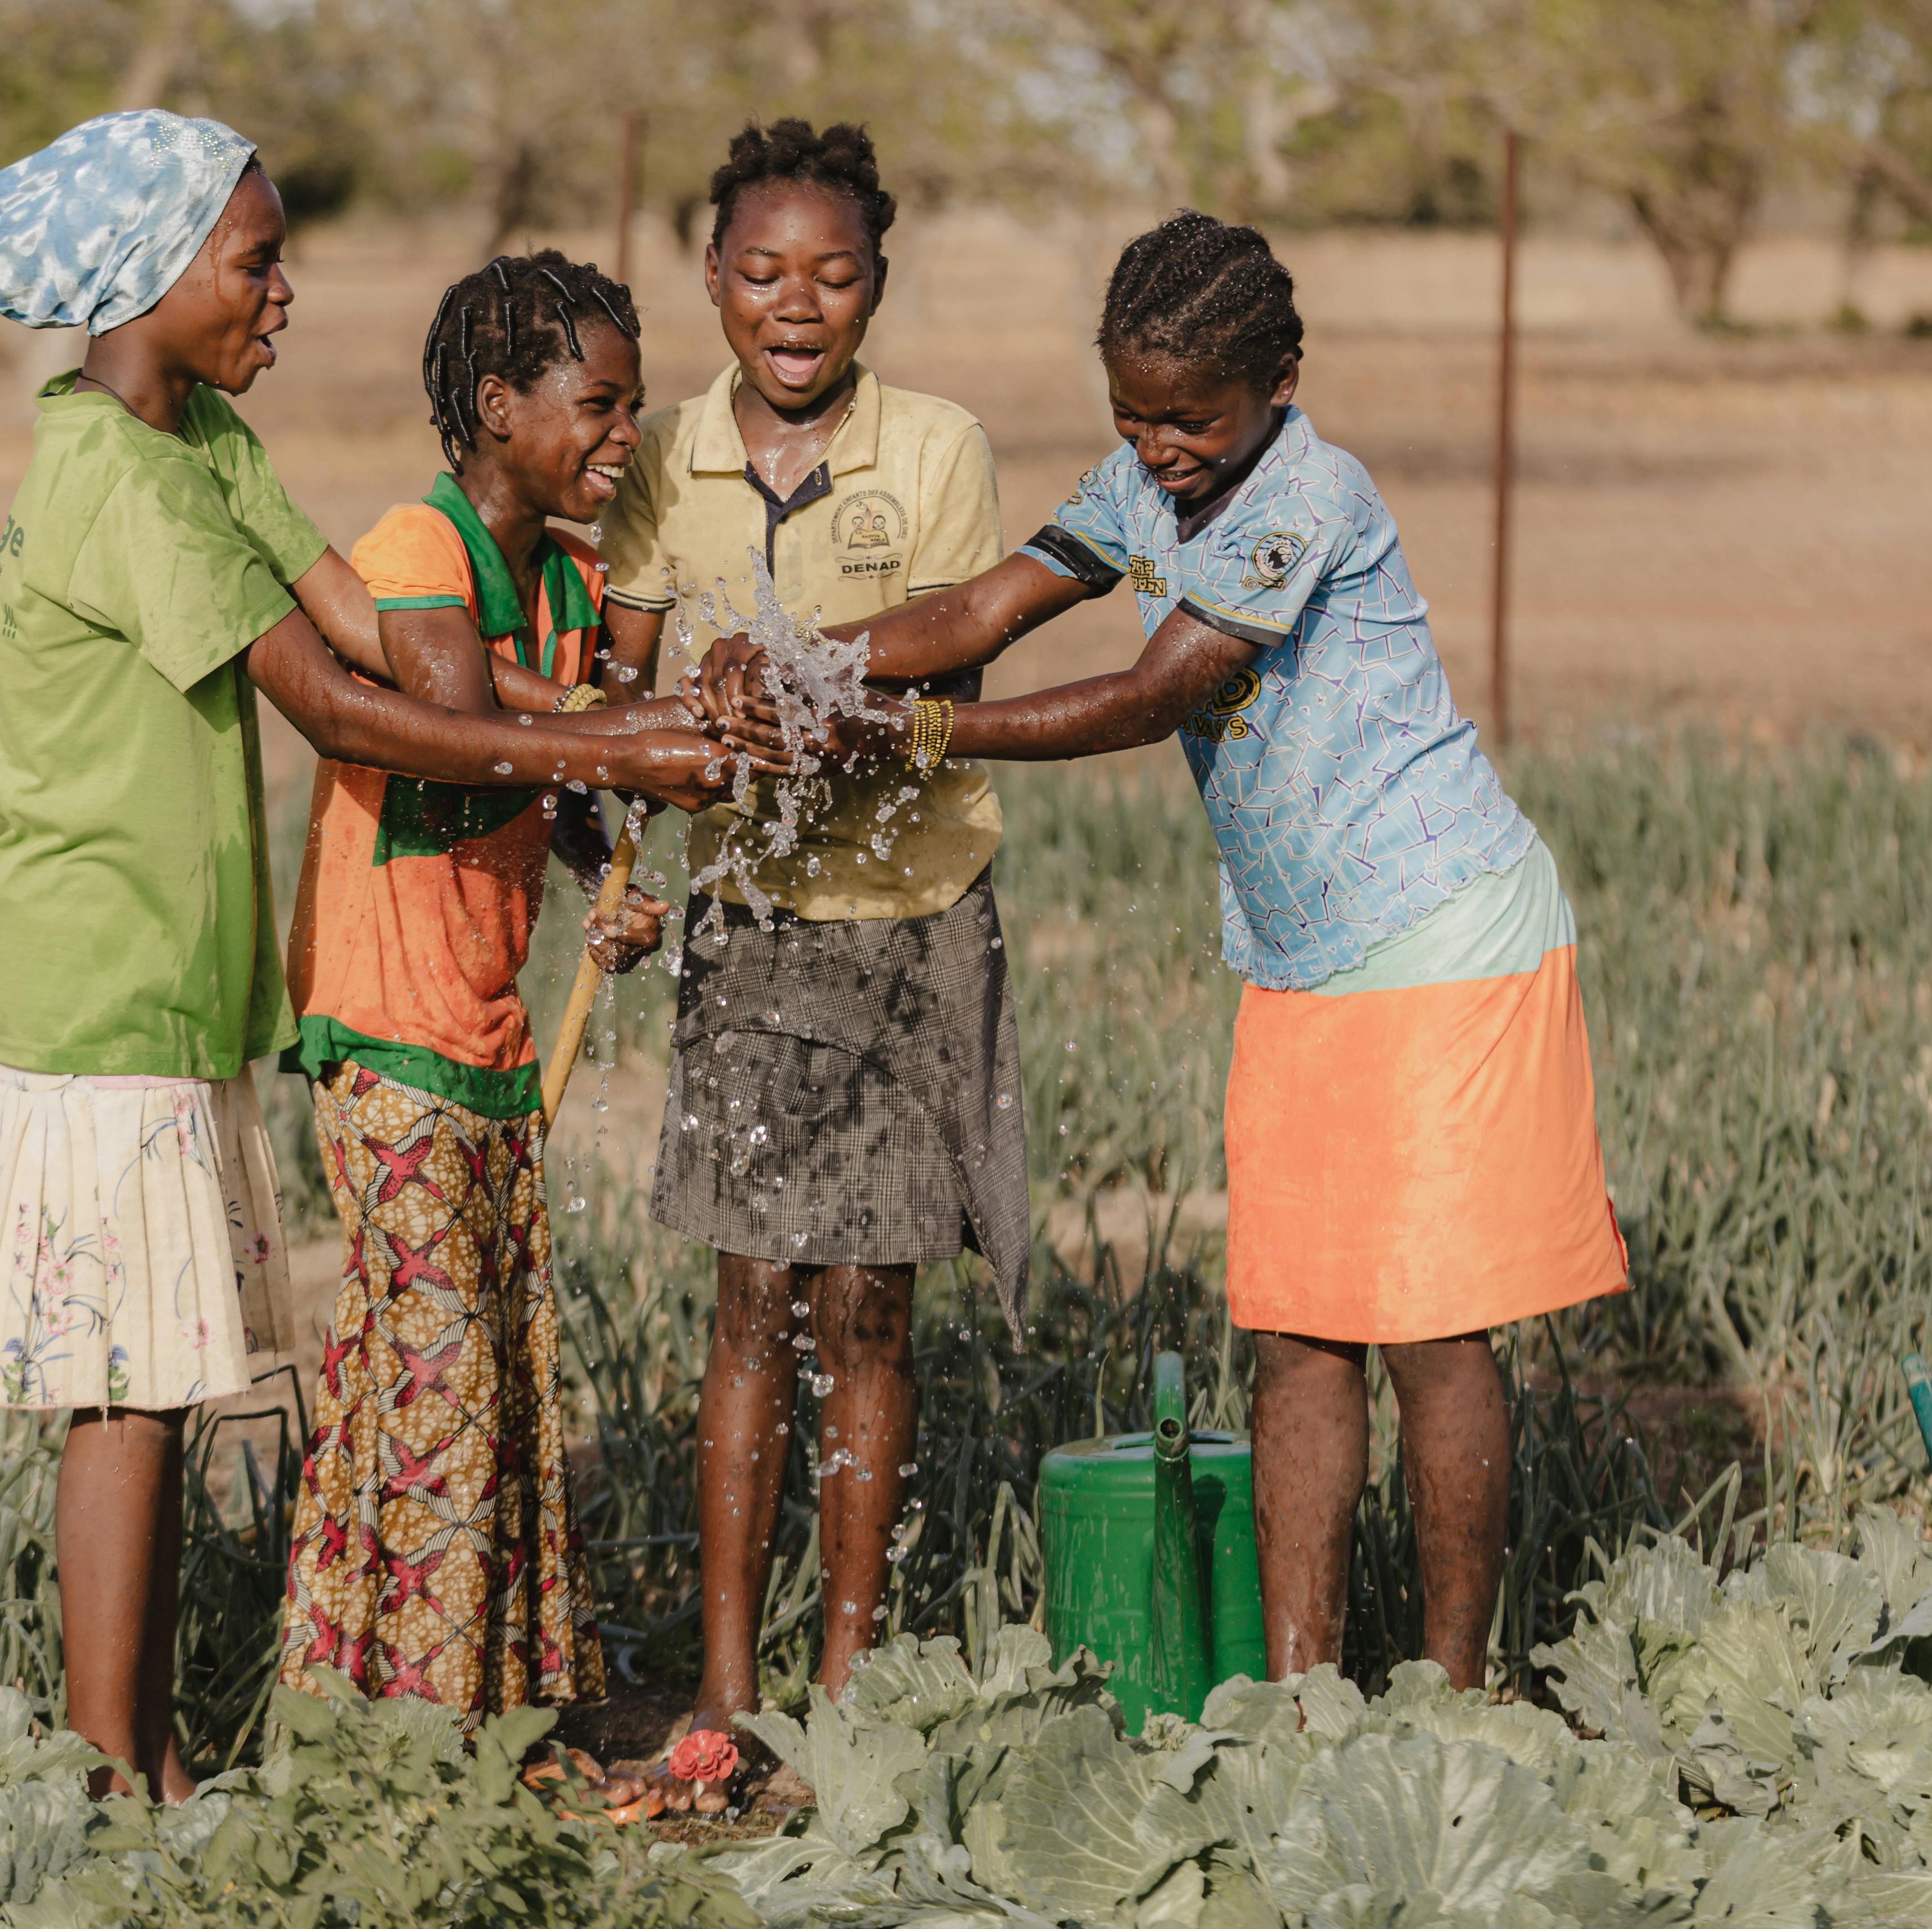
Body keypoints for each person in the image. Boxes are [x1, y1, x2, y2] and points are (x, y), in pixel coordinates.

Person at [0, 110, 724, 1802]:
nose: (285, 292)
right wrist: (603, 749)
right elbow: (340, 701)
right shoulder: (107, 474)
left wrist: (595, 724)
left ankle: (148, 1754)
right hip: (97, 984)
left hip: (180, 986)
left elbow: (366, 625)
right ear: (147, 276)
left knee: (165, 1380)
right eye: (255, 259)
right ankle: (108, 1772)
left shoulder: (192, 435)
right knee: (124, 1392)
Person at [701, 210, 1629, 1692]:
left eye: (1193, 417)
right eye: (1132, 413)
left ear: (1280, 378)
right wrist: (808, 658)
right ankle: (1305, 1699)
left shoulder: (1308, 498)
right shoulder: (1140, 482)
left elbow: (1149, 696)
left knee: (1434, 1337)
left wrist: (897, 728)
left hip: (1448, 938)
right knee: (1299, 1335)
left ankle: (1459, 1691)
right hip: (1305, 958)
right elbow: (986, 606)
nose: (1161, 445)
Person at [593, 120, 1031, 1811]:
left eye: (834, 276)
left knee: (871, 1303)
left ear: (878, 288)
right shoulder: (662, 462)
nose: (797, 306)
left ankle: (844, 1679)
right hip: (750, 934)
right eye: (763, 274)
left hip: (912, 924)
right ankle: (726, 1686)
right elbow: (628, 696)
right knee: (751, 1304)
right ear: (712, 280)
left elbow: (942, 664)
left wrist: (805, 712)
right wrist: (629, 850)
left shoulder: (934, 448)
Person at [272, 251, 685, 1722]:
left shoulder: (566, 580)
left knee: (481, 1382)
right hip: (382, 1029)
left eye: (635, 407)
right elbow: (456, 711)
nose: (625, 434)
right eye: (601, 403)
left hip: (488, 1033)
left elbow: (567, 799)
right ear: (498, 406)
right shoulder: (415, 550)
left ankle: (444, 1717)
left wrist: (604, 881)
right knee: (442, 1381)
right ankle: (428, 1748)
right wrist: (616, 730)